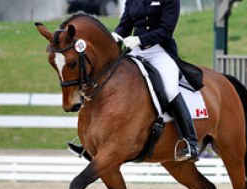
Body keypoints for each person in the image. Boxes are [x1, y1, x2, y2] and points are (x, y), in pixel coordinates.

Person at [68, 0, 199, 161]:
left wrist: (140, 40)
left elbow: (166, 30)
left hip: (159, 51)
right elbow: (125, 25)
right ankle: (90, 141)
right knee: (107, 81)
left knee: (170, 90)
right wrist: (116, 35)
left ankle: (190, 142)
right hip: (136, 52)